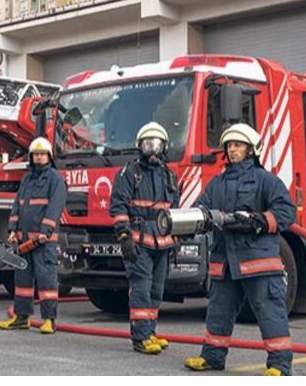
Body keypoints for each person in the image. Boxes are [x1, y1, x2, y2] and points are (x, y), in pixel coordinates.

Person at [185, 123, 295, 376]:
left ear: (251, 149)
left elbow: (286, 213)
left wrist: (258, 222)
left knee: (270, 312)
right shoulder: (217, 183)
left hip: (258, 263)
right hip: (225, 264)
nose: (232, 150)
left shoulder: (266, 181)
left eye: (238, 146)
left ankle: (279, 364)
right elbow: (201, 207)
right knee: (218, 311)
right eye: (229, 146)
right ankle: (212, 356)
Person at [109, 122, 180, 354]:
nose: (152, 148)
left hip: (163, 243)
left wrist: (176, 238)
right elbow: (118, 206)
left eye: (156, 144)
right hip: (139, 243)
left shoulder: (169, 175)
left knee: (157, 290)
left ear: (164, 147)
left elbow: (173, 210)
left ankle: (150, 332)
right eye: (147, 144)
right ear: (140, 146)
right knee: (141, 288)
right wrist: (124, 236)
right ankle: (140, 337)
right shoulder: (130, 173)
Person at [0, 137, 66, 334]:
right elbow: (18, 204)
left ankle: (49, 319)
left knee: (46, 280)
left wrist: (45, 232)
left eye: (42, 154)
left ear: (49, 156)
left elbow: (54, 207)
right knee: (22, 280)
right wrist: (12, 230)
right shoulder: (27, 179)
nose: (38, 157)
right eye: (36, 154)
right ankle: (21, 317)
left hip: (43, 241)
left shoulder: (55, 178)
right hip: (24, 239)